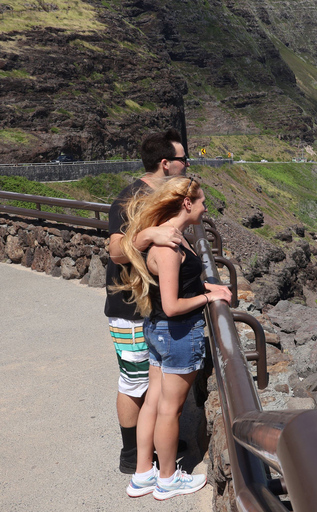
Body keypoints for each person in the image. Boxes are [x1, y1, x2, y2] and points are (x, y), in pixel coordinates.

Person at [113, 176, 232, 499]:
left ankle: (142, 473)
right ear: (187, 203)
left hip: (157, 330)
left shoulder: (171, 236)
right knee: (169, 409)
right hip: (177, 333)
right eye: (203, 202)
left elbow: (181, 282)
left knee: (153, 401)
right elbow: (172, 304)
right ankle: (167, 478)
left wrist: (208, 287)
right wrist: (208, 299)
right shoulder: (168, 245)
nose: (206, 208)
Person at [104, 128, 189, 474]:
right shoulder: (130, 198)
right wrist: (150, 234)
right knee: (134, 382)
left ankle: (154, 440)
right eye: (184, 160)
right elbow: (115, 250)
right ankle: (130, 455)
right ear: (166, 163)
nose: (188, 166)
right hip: (130, 309)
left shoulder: (161, 196)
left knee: (150, 381)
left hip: (150, 307)